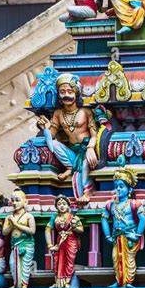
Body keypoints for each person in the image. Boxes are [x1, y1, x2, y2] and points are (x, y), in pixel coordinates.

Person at [38, 73, 98, 204]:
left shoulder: (86, 112)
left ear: (76, 93)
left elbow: (95, 134)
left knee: (85, 164)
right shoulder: (58, 114)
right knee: (54, 144)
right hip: (72, 152)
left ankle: (88, 192)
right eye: (62, 92)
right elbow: (52, 135)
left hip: (86, 149)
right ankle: (70, 167)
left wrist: (90, 148)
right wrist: (46, 127)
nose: (66, 95)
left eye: (70, 91)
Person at [101, 158, 145, 287]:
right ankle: (119, 281)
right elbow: (104, 218)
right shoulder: (110, 205)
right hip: (116, 236)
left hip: (130, 235)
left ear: (129, 189)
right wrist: (108, 235)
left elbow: (142, 219)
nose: (118, 189)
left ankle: (128, 281)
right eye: (116, 187)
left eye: (121, 186)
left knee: (129, 259)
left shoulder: (134, 204)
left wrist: (137, 235)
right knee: (116, 258)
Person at [45, 195, 84, 288]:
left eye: (64, 204)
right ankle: (58, 282)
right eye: (59, 204)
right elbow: (47, 229)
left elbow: (81, 230)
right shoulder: (54, 216)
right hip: (60, 241)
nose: (62, 206)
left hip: (71, 241)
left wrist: (74, 227)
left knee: (69, 260)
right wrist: (50, 245)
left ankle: (67, 281)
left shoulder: (73, 217)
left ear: (68, 206)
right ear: (56, 207)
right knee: (57, 261)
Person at [2, 189, 36, 288]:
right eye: (12, 200)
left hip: (26, 244)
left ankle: (24, 284)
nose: (14, 203)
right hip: (15, 244)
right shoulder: (9, 217)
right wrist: (11, 225)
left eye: (17, 200)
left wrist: (16, 224)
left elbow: (32, 231)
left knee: (25, 265)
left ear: (25, 202)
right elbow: (4, 232)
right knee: (13, 263)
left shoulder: (28, 216)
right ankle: (16, 284)